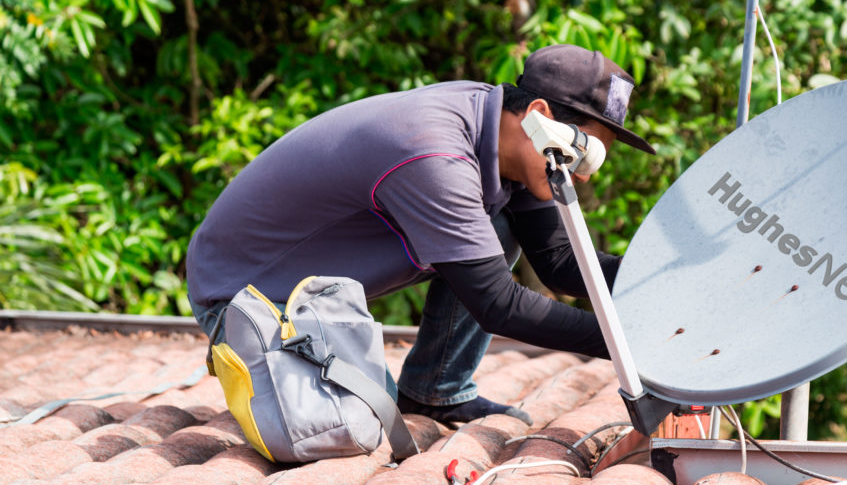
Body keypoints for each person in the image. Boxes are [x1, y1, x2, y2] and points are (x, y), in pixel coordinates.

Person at [186, 44, 655, 426]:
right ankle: (429, 393)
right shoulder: (435, 155)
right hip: (245, 305)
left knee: (498, 222)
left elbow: (559, 262)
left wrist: (666, 289)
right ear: (539, 114)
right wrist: (634, 346)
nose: (584, 175)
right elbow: (497, 304)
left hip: (306, 300)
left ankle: (436, 392)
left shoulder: (503, 136)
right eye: (584, 154)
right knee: (358, 429)